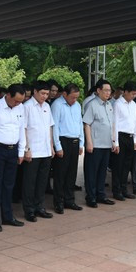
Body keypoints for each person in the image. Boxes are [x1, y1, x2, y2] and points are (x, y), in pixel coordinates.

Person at [0, 84, 26, 231]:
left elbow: (22, 129)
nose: (18, 104)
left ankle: (8, 216)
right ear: (8, 95)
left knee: (9, 185)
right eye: (16, 100)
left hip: (13, 149)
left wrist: (21, 151)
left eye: (20, 101)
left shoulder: (20, 108)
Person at [22, 81, 54, 222]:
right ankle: (29, 210)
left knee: (42, 181)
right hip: (33, 151)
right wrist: (26, 149)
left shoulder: (47, 106)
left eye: (47, 94)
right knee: (30, 182)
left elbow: (50, 127)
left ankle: (39, 207)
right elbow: (23, 129)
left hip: (46, 149)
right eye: (42, 93)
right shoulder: (27, 107)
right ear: (35, 91)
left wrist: (52, 146)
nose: (45, 96)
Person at [82, 79, 116, 208]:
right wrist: (89, 142)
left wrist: (113, 141)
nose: (108, 93)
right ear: (98, 90)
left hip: (106, 144)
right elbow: (87, 124)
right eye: (106, 90)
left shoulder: (109, 105)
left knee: (102, 172)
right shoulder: (92, 105)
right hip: (95, 145)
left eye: (109, 91)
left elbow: (111, 124)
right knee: (92, 172)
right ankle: (91, 197)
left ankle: (100, 194)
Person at [51, 83, 84, 214]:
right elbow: (54, 126)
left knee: (72, 173)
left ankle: (69, 200)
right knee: (60, 174)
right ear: (64, 94)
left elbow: (80, 124)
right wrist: (57, 146)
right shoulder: (57, 105)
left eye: (77, 97)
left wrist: (81, 143)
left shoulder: (77, 106)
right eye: (72, 97)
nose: (74, 100)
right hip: (63, 141)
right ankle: (58, 202)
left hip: (75, 141)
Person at [112, 81, 136, 200]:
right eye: (132, 94)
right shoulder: (118, 104)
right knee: (118, 165)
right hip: (120, 136)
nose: (134, 96)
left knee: (127, 165)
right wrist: (115, 142)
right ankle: (117, 190)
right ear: (126, 92)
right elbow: (115, 124)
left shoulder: (133, 104)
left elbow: (135, 122)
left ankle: (124, 189)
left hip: (130, 136)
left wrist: (134, 139)